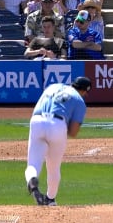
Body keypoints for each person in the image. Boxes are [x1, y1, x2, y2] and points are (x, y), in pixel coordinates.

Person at [25, 76, 92, 206]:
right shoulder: (79, 100)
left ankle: (33, 180)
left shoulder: (52, 87)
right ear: (84, 91)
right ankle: (50, 200)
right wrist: (59, 131)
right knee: (53, 167)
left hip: (37, 120)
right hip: (57, 124)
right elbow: (73, 132)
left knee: (33, 164)